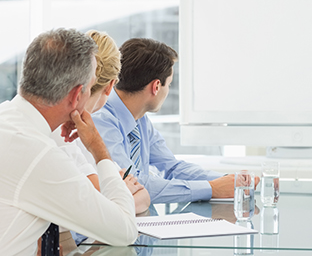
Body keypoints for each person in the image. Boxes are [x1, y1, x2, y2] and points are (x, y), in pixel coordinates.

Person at [0, 28, 138, 255]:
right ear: (76, 95)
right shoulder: (38, 154)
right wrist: (99, 150)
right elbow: (124, 230)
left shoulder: (8, 119)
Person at [92, 38, 236, 203]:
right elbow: (133, 184)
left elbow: (171, 167)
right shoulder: (102, 120)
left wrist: (228, 181)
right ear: (156, 86)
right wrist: (211, 188)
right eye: (169, 84)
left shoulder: (140, 121)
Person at [56, 30, 150, 215]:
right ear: (110, 86)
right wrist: (119, 194)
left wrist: (117, 197)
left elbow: (143, 195)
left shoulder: (84, 127)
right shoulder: (62, 130)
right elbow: (100, 207)